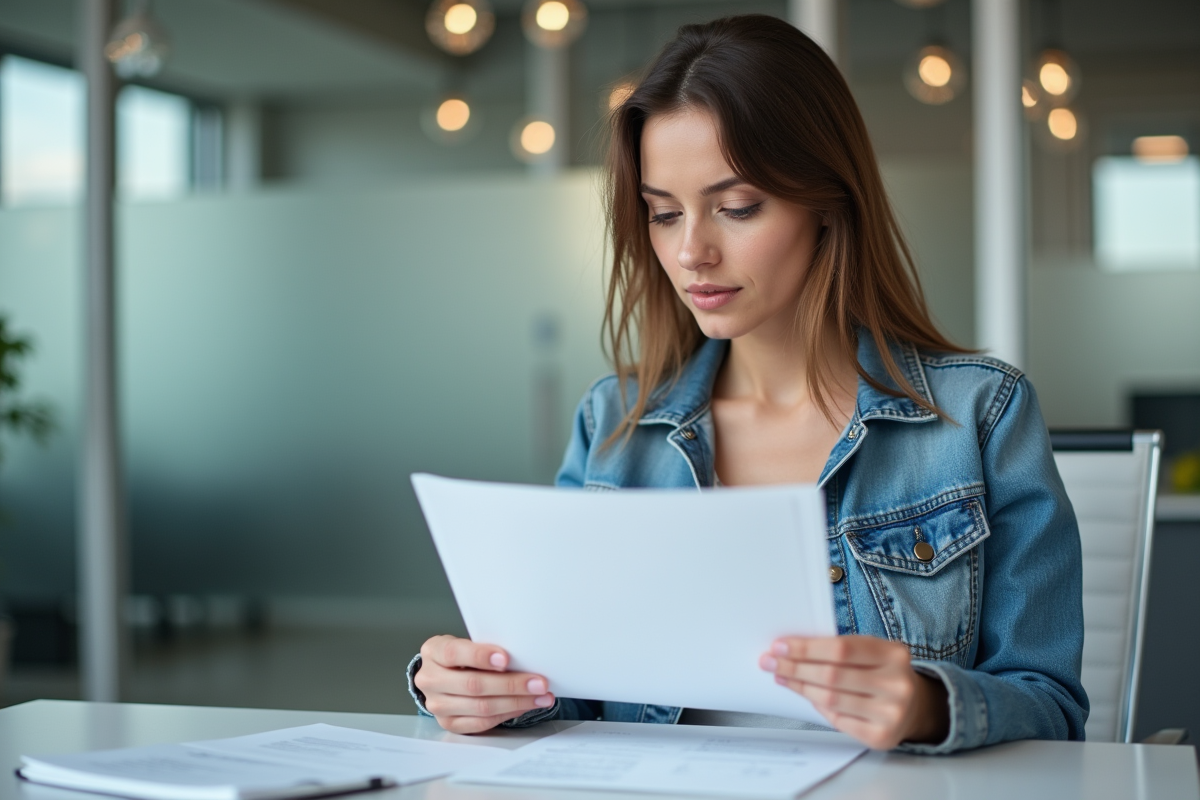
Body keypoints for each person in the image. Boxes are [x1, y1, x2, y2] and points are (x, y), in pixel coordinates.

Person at [406, 14, 1088, 754]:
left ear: (826, 200)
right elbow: (564, 686)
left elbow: (1051, 705)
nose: (692, 250)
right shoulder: (613, 424)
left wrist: (928, 706)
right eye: (663, 214)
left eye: (736, 207)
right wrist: (469, 687)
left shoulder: (980, 414)